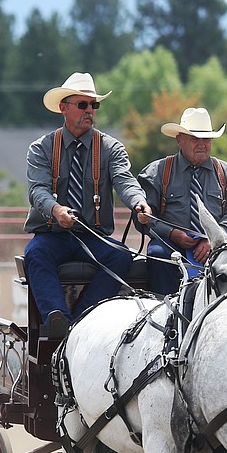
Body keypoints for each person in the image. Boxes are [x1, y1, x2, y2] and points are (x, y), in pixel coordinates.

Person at [23, 72, 151, 338]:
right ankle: (55, 319)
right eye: (83, 105)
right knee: (35, 254)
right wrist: (56, 211)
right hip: (53, 235)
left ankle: (82, 317)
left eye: (94, 105)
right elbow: (38, 190)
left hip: (92, 235)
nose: (90, 110)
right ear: (64, 108)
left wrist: (139, 202)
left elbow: (124, 180)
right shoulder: (42, 148)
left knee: (121, 255)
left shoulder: (110, 148)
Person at [136, 107, 227, 296]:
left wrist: (213, 239)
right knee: (157, 254)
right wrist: (173, 233)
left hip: (217, 244)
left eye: (207, 139)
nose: (202, 144)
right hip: (170, 244)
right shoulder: (157, 172)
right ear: (179, 139)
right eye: (195, 139)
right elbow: (144, 217)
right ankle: (167, 311)